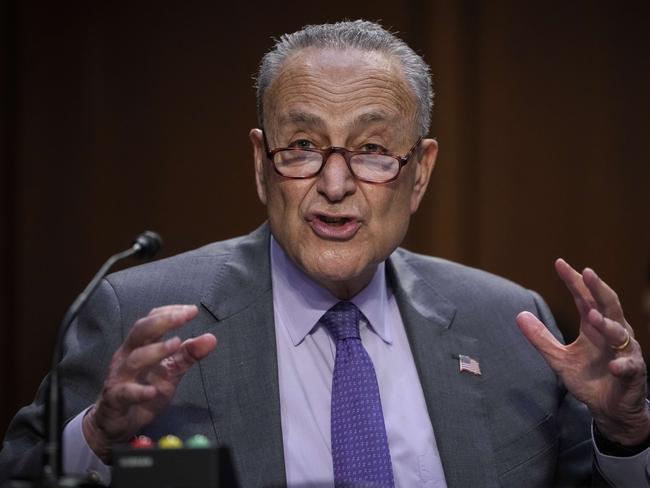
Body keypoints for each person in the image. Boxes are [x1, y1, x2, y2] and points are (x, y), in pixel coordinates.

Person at [1, 20, 648, 487]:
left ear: (419, 172)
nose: (334, 187)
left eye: (370, 149)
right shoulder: (139, 310)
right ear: (262, 165)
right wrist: (94, 437)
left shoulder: (508, 323)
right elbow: (23, 471)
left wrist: (625, 434)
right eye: (303, 146)